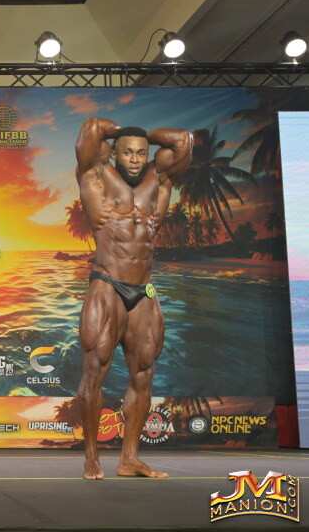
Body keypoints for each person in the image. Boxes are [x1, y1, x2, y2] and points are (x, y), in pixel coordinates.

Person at [74, 117, 192, 479]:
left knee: (144, 374)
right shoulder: (96, 174)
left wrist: (141, 134)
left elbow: (183, 140)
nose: (136, 159)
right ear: (114, 153)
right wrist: (123, 132)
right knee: (95, 371)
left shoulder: (160, 178)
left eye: (141, 153)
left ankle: (129, 459)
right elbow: (91, 128)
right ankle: (92, 457)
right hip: (107, 284)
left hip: (144, 291)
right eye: (127, 152)